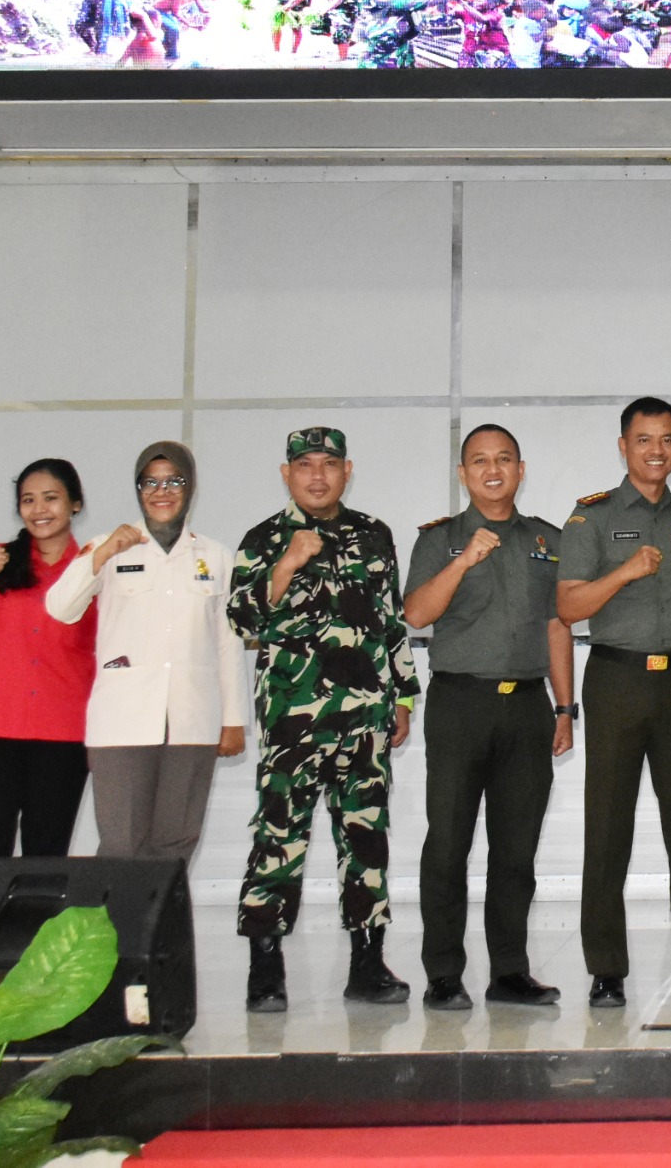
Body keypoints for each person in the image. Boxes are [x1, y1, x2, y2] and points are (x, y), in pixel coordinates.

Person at [229, 426, 418, 1011]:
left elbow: (391, 620)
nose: (317, 475)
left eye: (329, 464)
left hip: (364, 718)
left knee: (366, 839)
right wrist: (287, 563)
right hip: (293, 720)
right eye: (305, 465)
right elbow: (242, 621)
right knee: (279, 838)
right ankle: (265, 967)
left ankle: (368, 962)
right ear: (286, 473)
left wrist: (405, 696)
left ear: (347, 471)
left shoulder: (374, 534)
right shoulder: (264, 538)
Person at [557, 397, 671, 1008]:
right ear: (623, 445)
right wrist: (624, 572)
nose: (657, 451)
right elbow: (569, 607)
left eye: (668, 440)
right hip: (616, 680)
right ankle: (606, 969)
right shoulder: (591, 518)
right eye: (644, 440)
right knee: (607, 829)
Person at [403, 424, 577, 1012]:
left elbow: (557, 626)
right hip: (460, 704)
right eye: (479, 461)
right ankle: (443, 974)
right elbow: (416, 614)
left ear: (521, 470)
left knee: (516, 849)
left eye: (504, 459)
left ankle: (510, 972)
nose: (493, 469)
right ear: (463, 474)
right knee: (447, 843)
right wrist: (465, 560)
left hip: (527, 706)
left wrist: (565, 707)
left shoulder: (548, 540)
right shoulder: (439, 540)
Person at [44, 442, 245, 864]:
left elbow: (228, 642)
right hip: (123, 721)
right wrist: (102, 554)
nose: (161, 492)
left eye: (174, 481)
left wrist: (233, 720)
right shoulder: (109, 546)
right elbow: (60, 608)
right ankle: (119, 912)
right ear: (138, 489)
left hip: (193, 719)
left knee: (175, 844)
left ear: (190, 488)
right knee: (121, 845)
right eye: (150, 482)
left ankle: (166, 913)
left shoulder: (214, 555)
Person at [0, 460, 95, 859]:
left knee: (45, 857)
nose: (39, 509)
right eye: (28, 500)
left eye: (51, 498)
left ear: (75, 503)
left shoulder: (92, 568)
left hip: (63, 733)